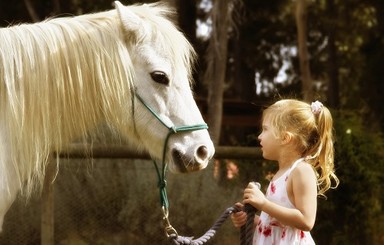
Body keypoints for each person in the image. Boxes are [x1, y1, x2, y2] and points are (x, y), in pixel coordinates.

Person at [231, 99, 339, 244]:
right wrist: (252, 220)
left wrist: (263, 204)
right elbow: (278, 224)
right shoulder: (280, 174)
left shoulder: (302, 171)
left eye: (266, 129)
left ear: (285, 138)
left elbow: (306, 221)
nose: (259, 136)